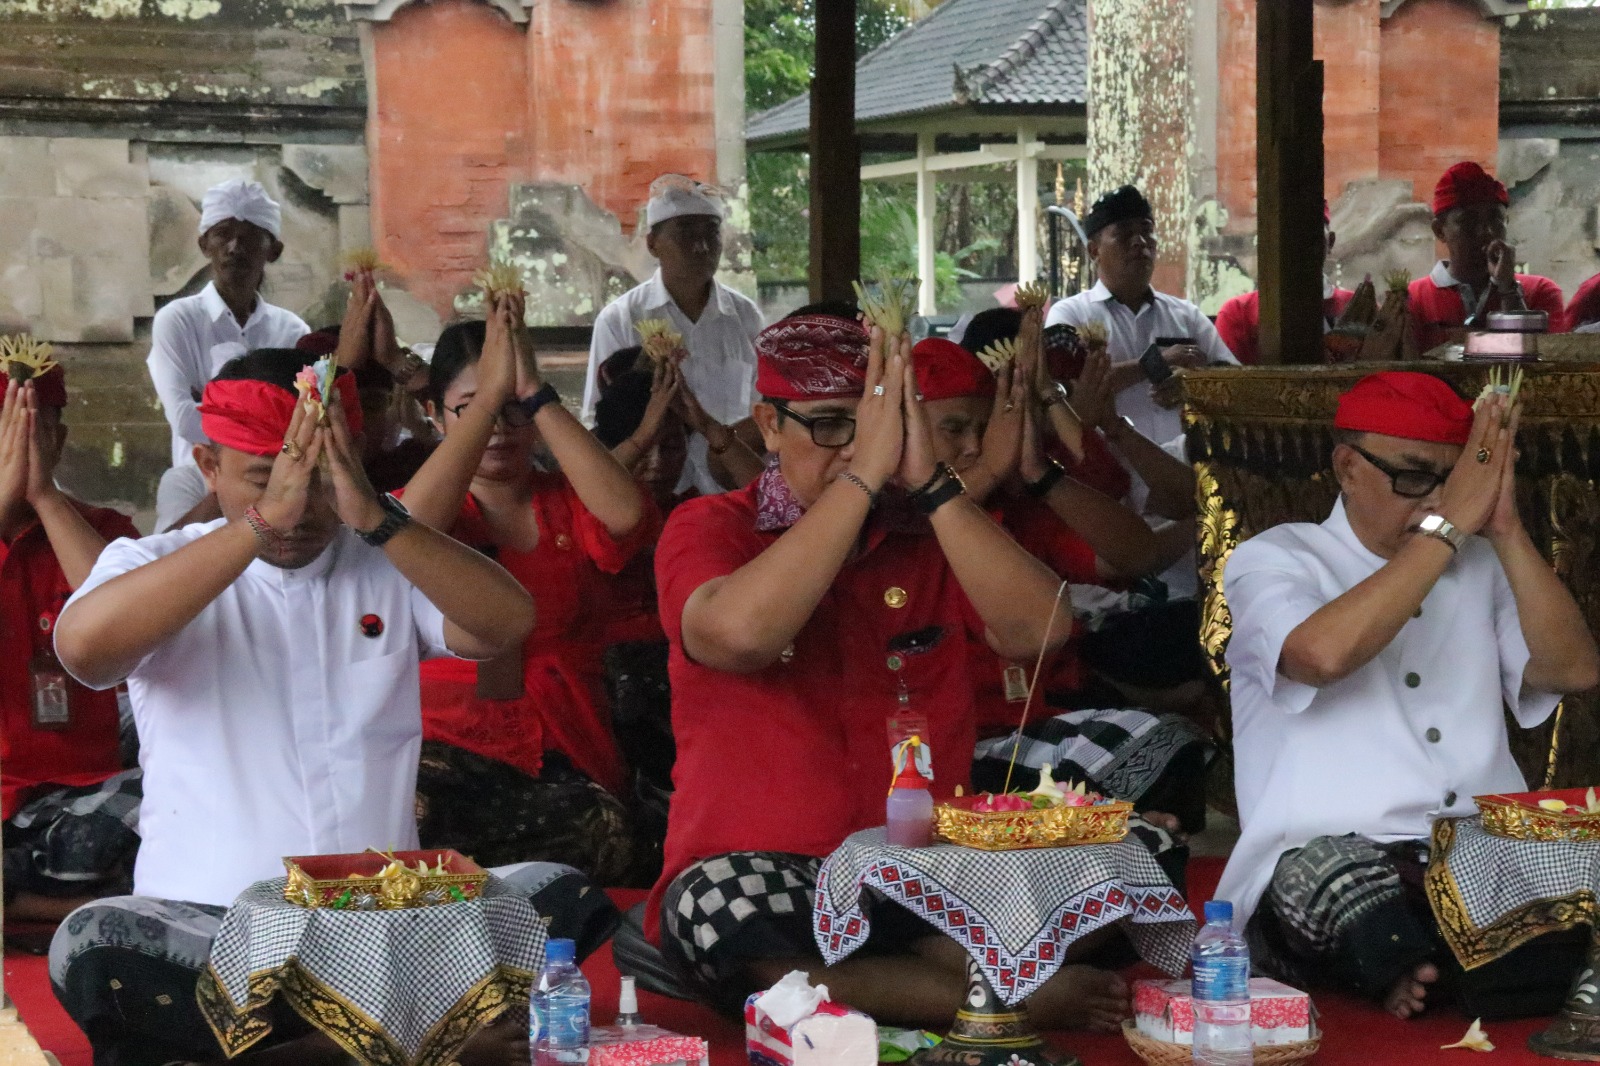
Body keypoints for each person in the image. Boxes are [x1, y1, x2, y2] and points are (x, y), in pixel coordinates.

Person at [46, 348, 596, 1066]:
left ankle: (326, 1049)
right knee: (94, 944)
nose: (298, 507)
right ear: (208, 466)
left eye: (319, 478)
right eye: (266, 477)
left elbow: (505, 624)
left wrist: (374, 514)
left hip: (382, 933)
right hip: (213, 935)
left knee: (555, 895)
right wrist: (253, 530)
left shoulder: (387, 557)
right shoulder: (153, 562)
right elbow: (86, 653)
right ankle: (394, 1047)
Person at [649, 311, 1170, 1033]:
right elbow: (737, 637)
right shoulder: (712, 525)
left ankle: (933, 965)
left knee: (1138, 851)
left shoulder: (926, 532)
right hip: (774, 872)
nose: (858, 447)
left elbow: (1040, 630)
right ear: (768, 425)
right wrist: (861, 478)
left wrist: (931, 485)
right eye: (833, 424)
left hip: (924, 869)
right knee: (714, 910)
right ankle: (994, 996)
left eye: (877, 424)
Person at [1217, 371, 1600, 1020]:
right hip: (1338, 852)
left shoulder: (1480, 561)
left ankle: (1438, 964)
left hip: (1475, 850)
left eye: (1452, 482)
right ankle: (1482, 959)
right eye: (1415, 477)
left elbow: (1574, 670)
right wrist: (1448, 525)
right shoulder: (1277, 558)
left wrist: (1503, 531)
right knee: (1330, 879)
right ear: (1348, 466)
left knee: (1577, 843)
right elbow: (1322, 655)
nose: (1433, 501)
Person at [402, 297, 656, 885]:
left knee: (601, 833)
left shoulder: (564, 498)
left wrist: (535, 390)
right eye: (472, 410)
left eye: (514, 411)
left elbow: (625, 514)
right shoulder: (434, 505)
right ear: (434, 414)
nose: (497, 430)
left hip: (563, 740)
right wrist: (494, 395)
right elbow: (405, 533)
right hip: (447, 742)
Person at [908, 336, 1212, 829]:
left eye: (985, 430)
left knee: (1172, 754)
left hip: (1043, 715)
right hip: (952, 746)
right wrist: (985, 472)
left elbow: (1137, 555)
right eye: (954, 429)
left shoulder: (1010, 511)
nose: (973, 445)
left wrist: (1037, 474)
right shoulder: (888, 517)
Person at [0, 365, 140, 929]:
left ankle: (28, 902)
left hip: (85, 791)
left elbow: (125, 627)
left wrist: (45, 500)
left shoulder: (104, 529)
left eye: (39, 429)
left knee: (181, 795)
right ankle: (56, 905)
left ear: (59, 438)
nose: (22, 446)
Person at [581, 174, 764, 496]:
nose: (703, 246)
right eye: (685, 233)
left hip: (730, 491)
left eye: (712, 233)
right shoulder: (621, 318)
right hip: (649, 490)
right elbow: (602, 420)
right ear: (653, 243)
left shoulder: (745, 317)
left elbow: (761, 412)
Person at [147, 179, 310, 533]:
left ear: (274, 250)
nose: (236, 247)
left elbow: (302, 417)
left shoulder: (293, 331)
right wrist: (266, 417)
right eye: (223, 234)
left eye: (251, 236)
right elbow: (183, 420)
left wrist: (210, 404)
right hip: (200, 479)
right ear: (204, 244)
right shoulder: (177, 320)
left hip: (279, 483)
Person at [1044, 185, 1237, 445]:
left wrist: (1194, 384)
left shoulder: (1186, 316)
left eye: (1146, 231)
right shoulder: (1071, 314)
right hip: (1109, 477)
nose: (1140, 242)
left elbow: (1234, 378)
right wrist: (1155, 363)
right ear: (1094, 251)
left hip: (1183, 475)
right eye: (1124, 235)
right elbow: (1066, 391)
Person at [1408, 162, 1567, 353]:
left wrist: (1508, 289)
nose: (1487, 232)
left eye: (1496, 219)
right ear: (1440, 231)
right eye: (1468, 221)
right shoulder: (1413, 300)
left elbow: (1550, 360)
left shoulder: (1540, 292)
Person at [1215, 203, 1356, 365]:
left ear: (1330, 242)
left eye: (1310, 234)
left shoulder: (1358, 305)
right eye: (1288, 234)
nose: (1299, 245)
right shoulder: (1237, 314)